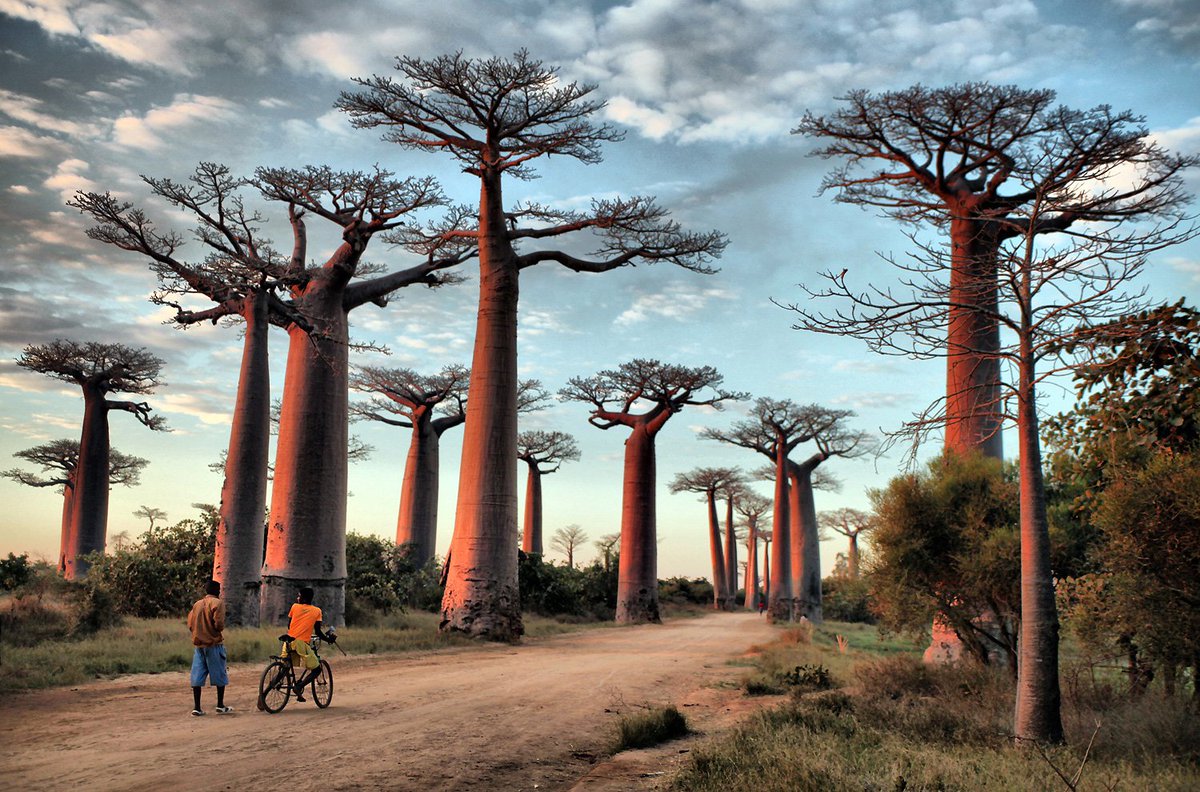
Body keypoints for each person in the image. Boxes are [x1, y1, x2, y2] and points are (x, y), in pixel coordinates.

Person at [278, 586, 336, 702]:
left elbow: (289, 625)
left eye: (299, 596)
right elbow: (318, 632)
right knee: (317, 669)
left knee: (284, 668)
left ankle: (265, 693)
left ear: (303, 598)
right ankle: (299, 686)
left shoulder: (294, 607)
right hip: (301, 644)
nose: (297, 598)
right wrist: (329, 640)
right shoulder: (317, 611)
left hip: (288, 642)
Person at [187, 580, 232, 716]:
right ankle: (220, 705)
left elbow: (190, 624)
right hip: (213, 644)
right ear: (217, 591)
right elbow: (219, 624)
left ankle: (197, 707)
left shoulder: (197, 604)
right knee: (219, 674)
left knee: (197, 676)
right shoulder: (218, 604)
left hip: (199, 645)